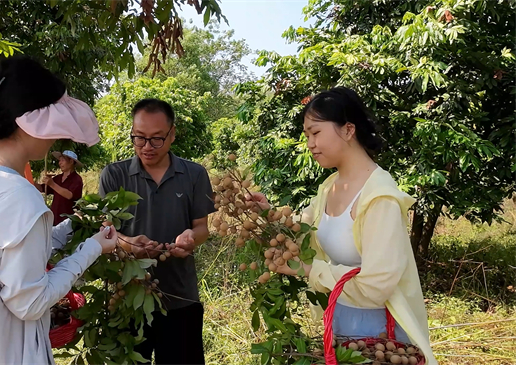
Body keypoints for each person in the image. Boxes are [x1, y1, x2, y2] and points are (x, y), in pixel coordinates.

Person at [0, 56, 118, 365]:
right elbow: (30, 302)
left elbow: (7, 245)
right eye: (52, 122)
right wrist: (92, 249)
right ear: (30, 121)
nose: (57, 135)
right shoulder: (21, 197)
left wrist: (73, 224)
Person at [248, 87, 437, 364]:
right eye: (307, 136)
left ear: (348, 130)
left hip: (381, 336)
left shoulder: (380, 197)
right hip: (340, 323)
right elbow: (301, 228)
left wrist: (308, 270)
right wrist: (268, 214)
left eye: (316, 133)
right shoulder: (330, 187)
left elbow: (376, 286)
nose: (310, 144)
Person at [98, 99, 215, 364]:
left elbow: (201, 228)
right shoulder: (114, 175)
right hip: (127, 298)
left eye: (156, 139)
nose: (147, 147)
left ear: (172, 134)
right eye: (139, 138)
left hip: (180, 298)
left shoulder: (194, 174)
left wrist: (190, 239)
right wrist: (128, 245)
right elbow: (106, 231)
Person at [35, 149, 84, 225]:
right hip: (55, 218)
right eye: (59, 160)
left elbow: (69, 195)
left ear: (71, 162)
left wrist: (52, 184)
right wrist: (30, 182)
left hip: (68, 220)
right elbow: (42, 188)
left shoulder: (77, 179)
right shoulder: (58, 178)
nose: (60, 163)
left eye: (62, 160)